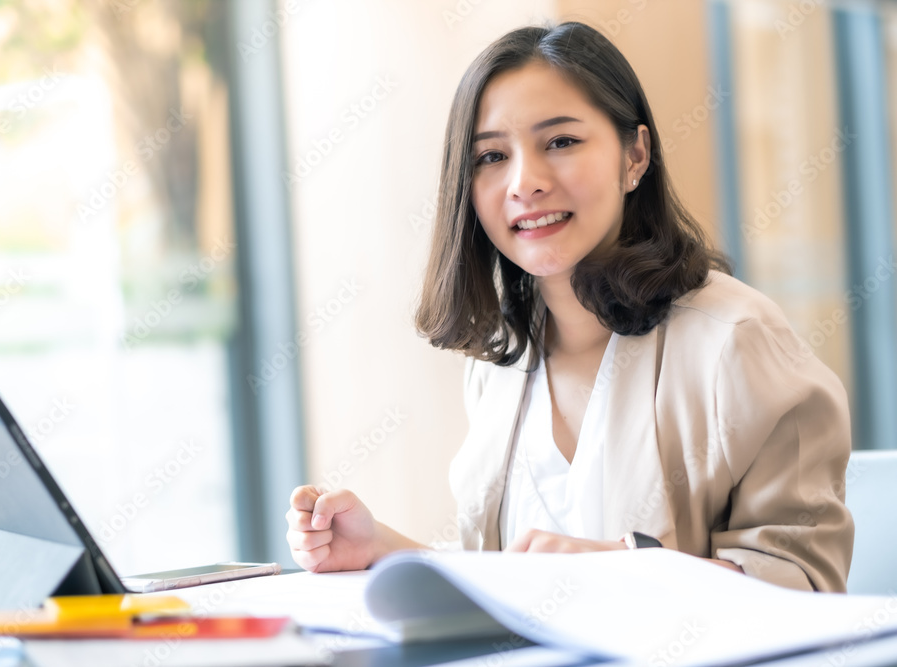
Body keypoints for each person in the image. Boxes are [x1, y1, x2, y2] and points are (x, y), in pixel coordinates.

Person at [284, 21, 854, 592]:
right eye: (490, 156)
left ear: (635, 155)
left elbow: (806, 584)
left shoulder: (737, 340)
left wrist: (617, 569)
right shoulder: (499, 362)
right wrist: (383, 549)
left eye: (560, 142)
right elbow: (512, 582)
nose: (524, 182)